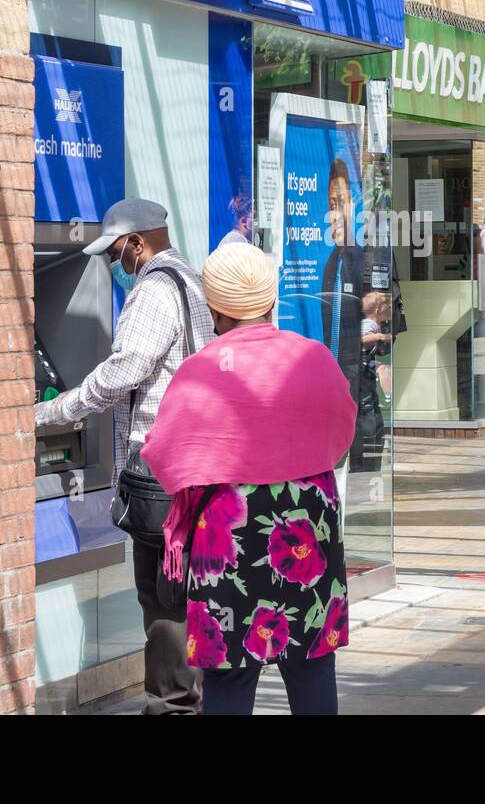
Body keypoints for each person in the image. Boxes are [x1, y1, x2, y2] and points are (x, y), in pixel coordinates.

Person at [140, 243, 357, 716]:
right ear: (270, 298)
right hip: (310, 525)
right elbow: (343, 432)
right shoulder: (313, 358)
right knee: (312, 663)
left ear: (214, 306)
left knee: (231, 672)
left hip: (229, 532)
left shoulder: (200, 371)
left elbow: (163, 453)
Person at [35, 197, 214, 715]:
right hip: (189, 465)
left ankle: (172, 705)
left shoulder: (154, 287)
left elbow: (125, 369)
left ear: (138, 242)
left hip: (159, 473)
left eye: (117, 254)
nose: (117, 265)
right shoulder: (191, 281)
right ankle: (188, 699)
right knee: (180, 590)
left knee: (161, 597)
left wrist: (53, 412)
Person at [320, 157, 366, 468]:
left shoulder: (360, 260)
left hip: (354, 363)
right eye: (331, 205)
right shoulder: (330, 263)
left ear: (352, 205)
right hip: (332, 366)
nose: (335, 213)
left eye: (341, 203)